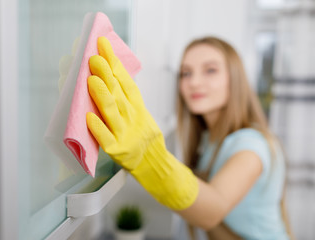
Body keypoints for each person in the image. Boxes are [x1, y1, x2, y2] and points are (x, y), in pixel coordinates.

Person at [86, 36, 292, 239]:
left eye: (210, 70)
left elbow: (213, 210)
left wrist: (148, 156)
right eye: (186, 73)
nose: (194, 82)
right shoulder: (210, 140)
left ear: (235, 79)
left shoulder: (251, 145)